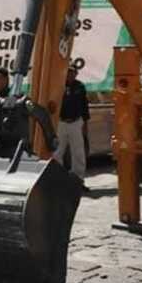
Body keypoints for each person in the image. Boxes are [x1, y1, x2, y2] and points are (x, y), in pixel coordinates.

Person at [56, 60, 90, 192]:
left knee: (78, 153)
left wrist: (85, 124)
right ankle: (59, 180)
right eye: (68, 71)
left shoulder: (80, 87)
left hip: (76, 122)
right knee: (57, 152)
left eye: (72, 72)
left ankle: (78, 181)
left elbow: (84, 107)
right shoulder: (58, 85)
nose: (70, 74)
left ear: (76, 73)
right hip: (61, 122)